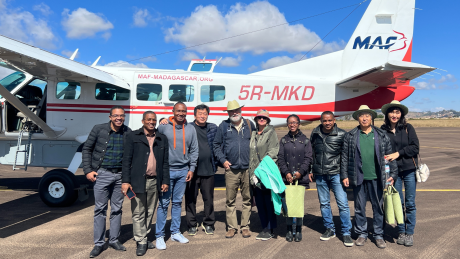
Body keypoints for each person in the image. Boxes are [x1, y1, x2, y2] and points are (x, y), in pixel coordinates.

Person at [341, 105, 398, 249]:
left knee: (378, 207)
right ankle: (362, 233)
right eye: (361, 115)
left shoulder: (381, 135)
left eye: (367, 115)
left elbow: (390, 156)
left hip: (377, 177)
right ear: (358, 118)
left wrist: (393, 174)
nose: (364, 118)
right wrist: (345, 175)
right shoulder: (351, 135)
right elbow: (345, 158)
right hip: (358, 177)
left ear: (371, 117)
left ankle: (379, 235)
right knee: (359, 208)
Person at [82, 105, 131, 258]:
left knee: (117, 209)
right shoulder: (98, 129)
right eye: (116, 116)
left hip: (120, 176)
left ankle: (114, 240)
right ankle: (99, 243)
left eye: (122, 115)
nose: (119, 118)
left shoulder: (128, 132)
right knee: (100, 209)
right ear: (110, 117)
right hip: (102, 174)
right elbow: (87, 149)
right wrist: (88, 170)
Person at [121, 111, 169, 256]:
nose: (151, 122)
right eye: (148, 120)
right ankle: (141, 241)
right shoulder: (133, 136)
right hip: (137, 181)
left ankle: (145, 235)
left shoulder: (162, 138)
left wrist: (165, 180)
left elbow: (165, 162)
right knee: (138, 212)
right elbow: (126, 160)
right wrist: (125, 181)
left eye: (154, 120)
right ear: (143, 121)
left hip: (155, 181)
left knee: (149, 212)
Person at [155, 102, 199, 250]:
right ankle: (159, 235)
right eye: (178, 111)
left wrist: (191, 168)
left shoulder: (191, 128)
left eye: (184, 111)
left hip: (183, 171)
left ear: (186, 112)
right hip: (167, 171)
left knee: (177, 203)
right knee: (163, 203)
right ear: (173, 111)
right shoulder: (163, 126)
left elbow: (194, 150)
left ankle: (175, 232)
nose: (181, 113)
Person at [309, 111, 353, 247]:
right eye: (324, 121)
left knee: (343, 204)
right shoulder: (315, 133)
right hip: (320, 174)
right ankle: (330, 229)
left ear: (334, 120)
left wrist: (345, 175)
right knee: (324, 203)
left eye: (330, 120)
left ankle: (346, 232)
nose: (327, 123)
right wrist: (311, 169)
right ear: (321, 121)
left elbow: (346, 156)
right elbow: (312, 153)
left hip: (336, 174)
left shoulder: (342, 134)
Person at [213, 100, 256, 239]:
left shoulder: (250, 125)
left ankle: (245, 227)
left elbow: (256, 144)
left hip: (247, 169)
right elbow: (216, 145)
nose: (234, 113)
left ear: (240, 110)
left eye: (236, 110)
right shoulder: (223, 126)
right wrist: (223, 160)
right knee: (230, 200)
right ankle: (232, 227)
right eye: (231, 111)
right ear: (228, 113)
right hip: (231, 170)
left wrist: (254, 163)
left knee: (247, 199)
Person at [381, 100, 419, 247]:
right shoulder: (383, 130)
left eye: (397, 112)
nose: (394, 115)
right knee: (398, 202)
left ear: (401, 114)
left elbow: (415, 147)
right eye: (392, 112)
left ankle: (409, 233)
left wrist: (398, 153)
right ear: (387, 114)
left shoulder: (408, 128)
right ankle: (401, 231)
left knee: (410, 203)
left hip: (409, 169)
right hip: (392, 172)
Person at [278, 114, 313, 242]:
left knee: (298, 205)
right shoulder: (283, 140)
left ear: (299, 124)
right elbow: (280, 158)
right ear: (287, 124)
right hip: (286, 178)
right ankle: (288, 229)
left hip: (300, 178)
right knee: (288, 206)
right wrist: (286, 173)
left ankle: (298, 230)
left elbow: (308, 158)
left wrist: (301, 172)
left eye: (294, 122)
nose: (292, 125)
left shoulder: (305, 140)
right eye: (290, 123)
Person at [185, 104, 218, 236]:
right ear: (194, 115)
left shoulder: (213, 128)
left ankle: (208, 223)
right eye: (200, 114)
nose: (202, 116)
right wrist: (166, 120)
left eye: (205, 114)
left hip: (208, 169)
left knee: (208, 199)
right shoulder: (188, 127)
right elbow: (174, 123)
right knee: (190, 199)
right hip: (191, 170)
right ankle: (192, 224)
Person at [248, 109, 280, 241]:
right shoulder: (254, 133)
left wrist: (261, 171)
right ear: (256, 119)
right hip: (254, 174)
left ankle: (270, 228)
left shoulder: (271, 133)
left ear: (268, 120)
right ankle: (264, 227)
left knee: (268, 202)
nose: (262, 119)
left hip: (264, 173)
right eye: (259, 117)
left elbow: (273, 152)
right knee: (259, 202)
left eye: (264, 118)